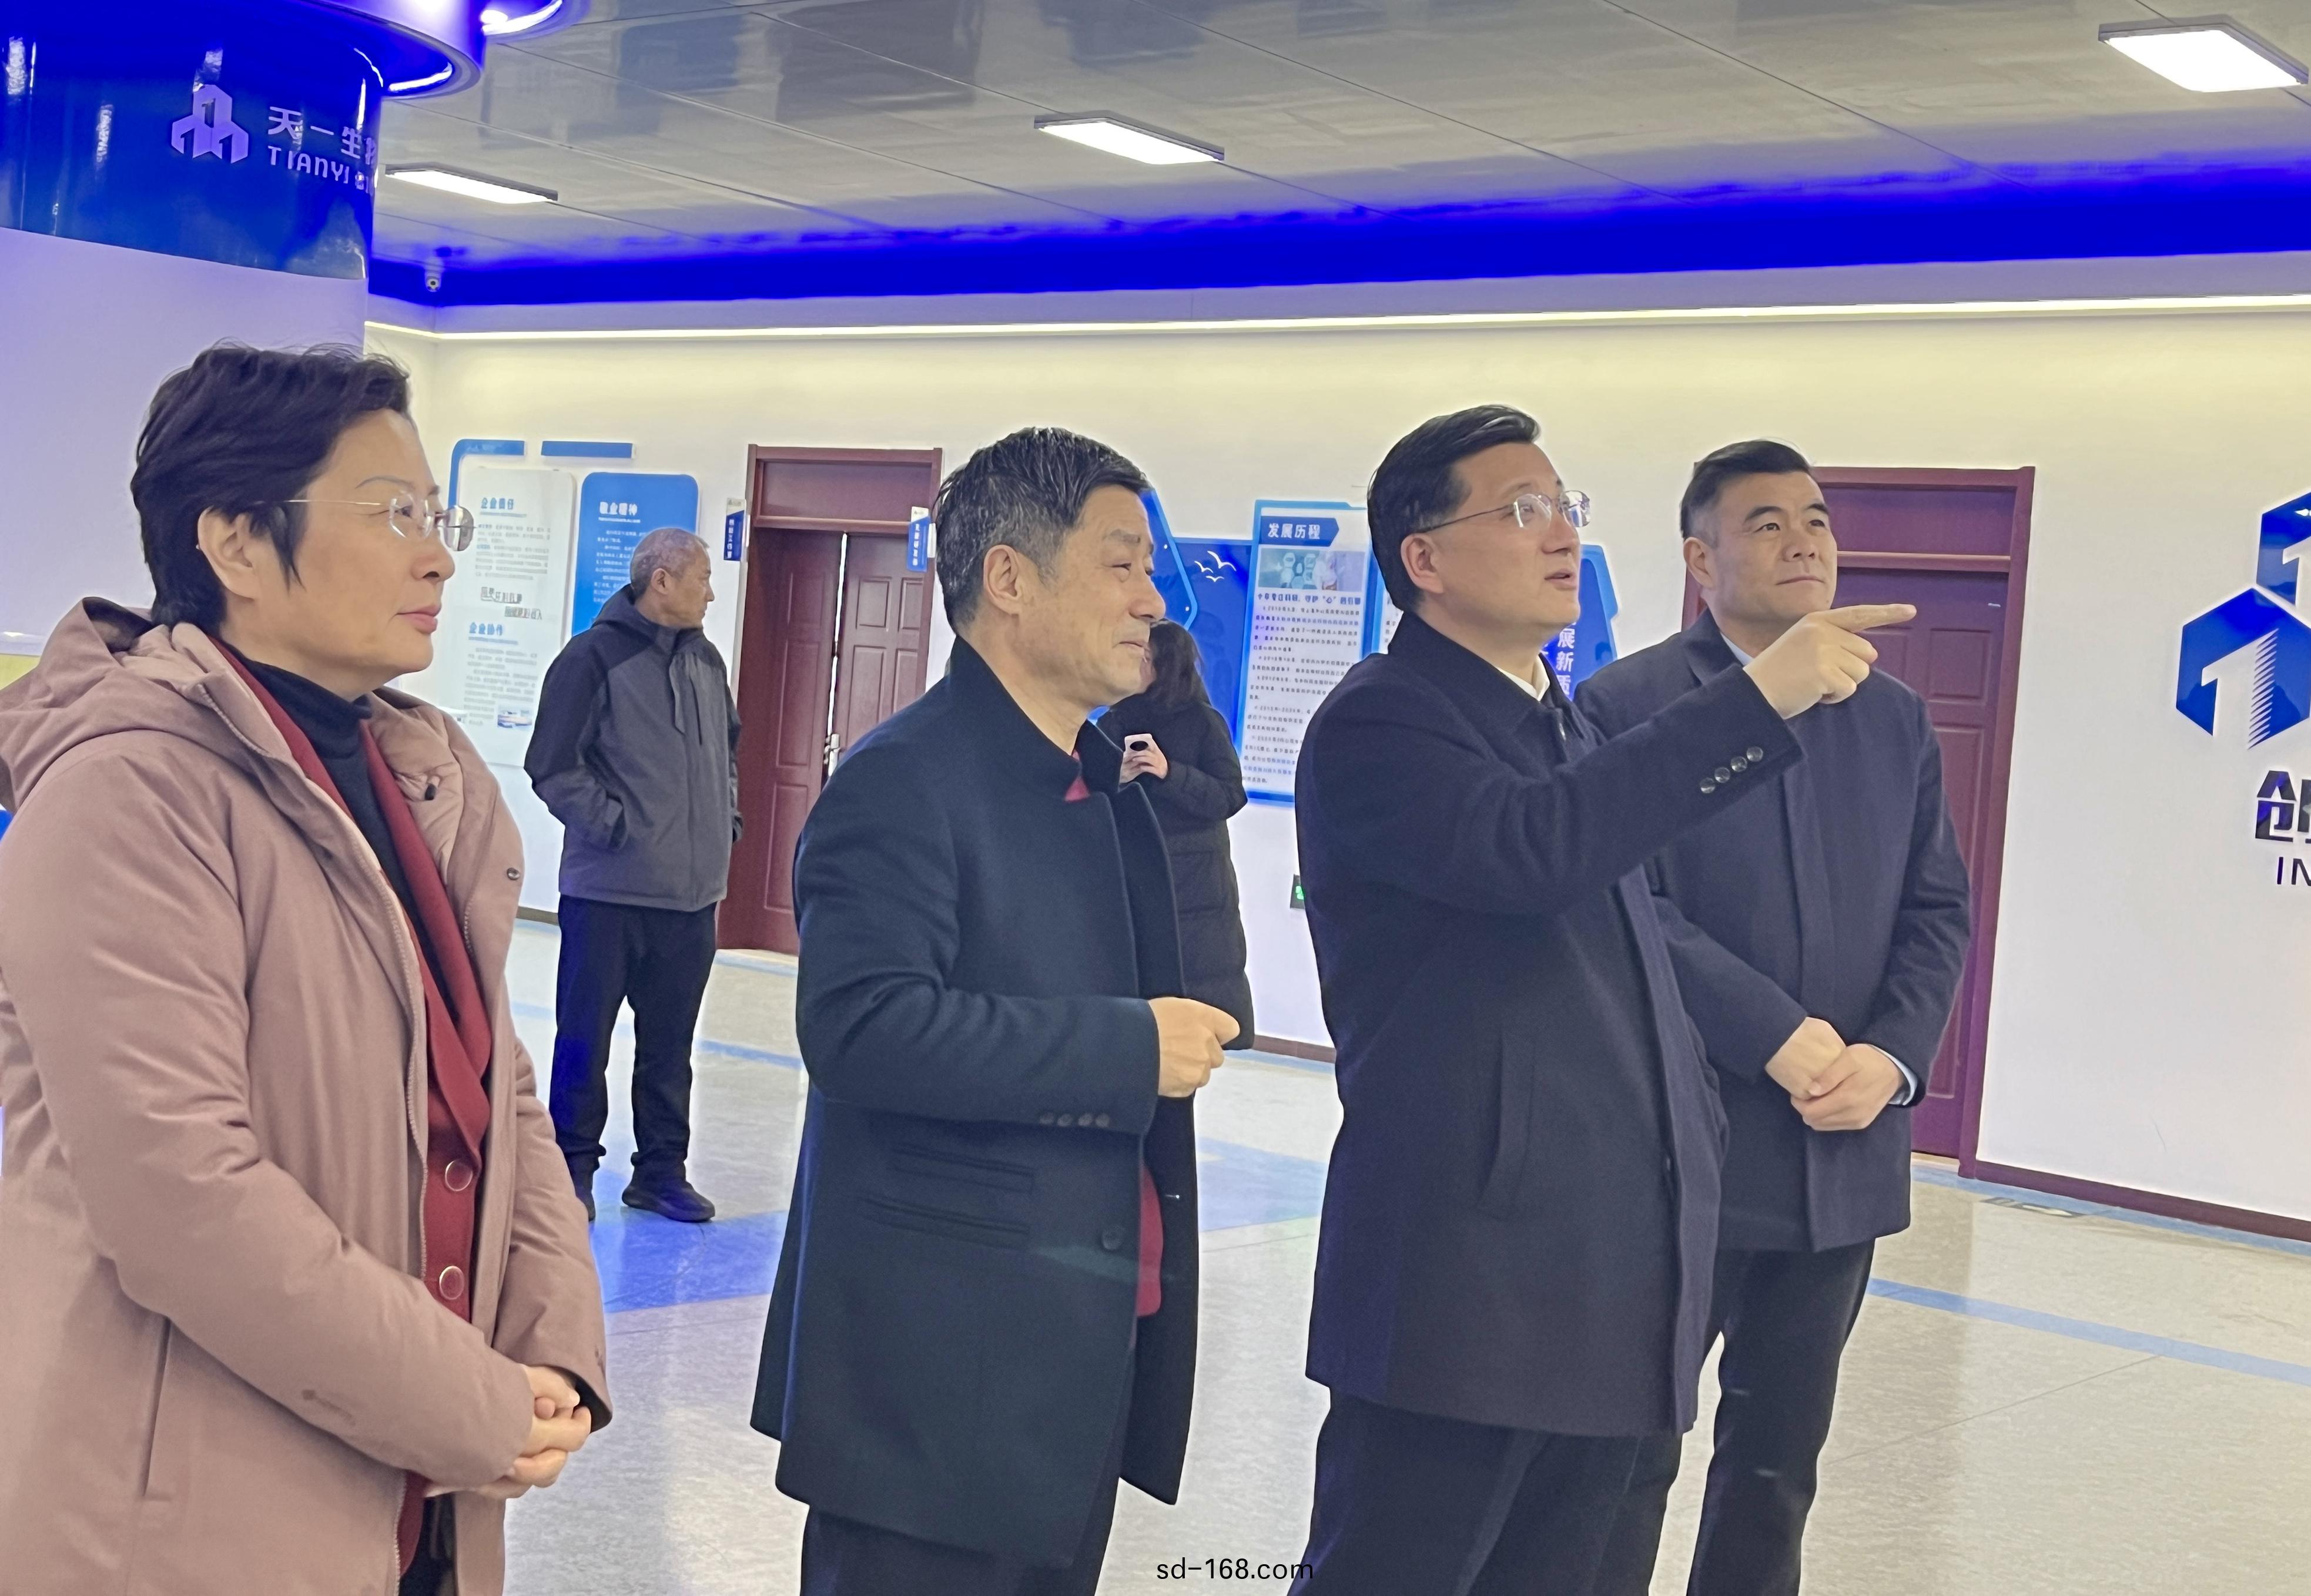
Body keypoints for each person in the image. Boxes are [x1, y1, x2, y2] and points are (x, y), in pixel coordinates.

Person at [0, 343, 607, 1596]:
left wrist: (554, 1352)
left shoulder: (420, 781)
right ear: (233, 540)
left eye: (438, 517)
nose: (438, 558)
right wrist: (474, 1405)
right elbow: (182, 1196)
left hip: (414, 1499)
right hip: (191, 1516)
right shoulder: (129, 788)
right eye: (393, 515)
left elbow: (497, 1092)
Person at [1288, 404, 1913, 1595]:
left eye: (1564, 506)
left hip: (1608, 1278)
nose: (1560, 533)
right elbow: (1529, 850)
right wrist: (1754, 699)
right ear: (1424, 559)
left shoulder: (1554, 717)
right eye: (1521, 509)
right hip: (1469, 1287)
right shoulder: (1385, 716)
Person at [751, 427, 1241, 1596]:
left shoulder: (1099, 783)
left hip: (1069, 1360)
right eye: (1120, 564)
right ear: (1010, 579)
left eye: (1150, 567)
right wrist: (1129, 1044)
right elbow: (863, 1028)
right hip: (935, 1388)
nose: (1151, 599)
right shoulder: (903, 781)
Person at [1582, 440, 1971, 1596]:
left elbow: (1936, 906)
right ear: (1700, 559)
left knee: (1775, 1465)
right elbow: (1620, 902)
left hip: (1836, 1154)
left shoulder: (1892, 717)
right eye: (1765, 522)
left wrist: (1891, 1056)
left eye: (1815, 518)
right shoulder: (1629, 707)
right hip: (1676, 1149)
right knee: (1621, 1455)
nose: (1803, 540)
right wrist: (1770, 1032)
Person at [526, 527, 739, 1225]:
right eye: (702, 577)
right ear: (662, 581)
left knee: (670, 1049)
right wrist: (616, 829)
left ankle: (660, 1173)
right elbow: (552, 764)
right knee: (583, 1039)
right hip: (608, 895)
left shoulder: (706, 661)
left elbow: (727, 754)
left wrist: (726, 822)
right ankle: (570, 1169)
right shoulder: (590, 659)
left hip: (691, 899)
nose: (711, 592)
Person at [1102, 619, 1257, 1044]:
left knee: (1194, 1019)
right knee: (1136, 1020)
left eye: (1145, 657)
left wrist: (1170, 773)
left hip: (1198, 888)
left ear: (1167, 665)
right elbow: (1086, 794)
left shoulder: (1204, 723)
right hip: (1133, 874)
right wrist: (1117, 776)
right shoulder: (1116, 719)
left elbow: (1230, 796)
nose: (1135, 664)